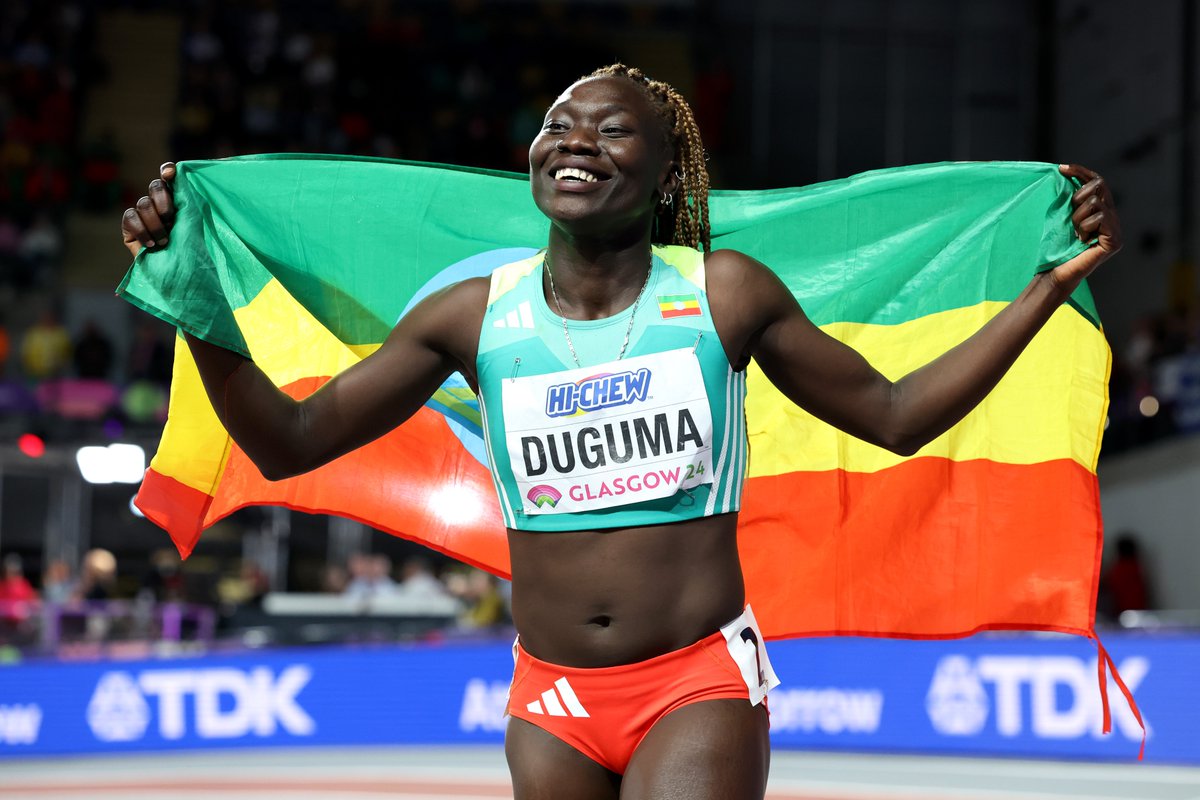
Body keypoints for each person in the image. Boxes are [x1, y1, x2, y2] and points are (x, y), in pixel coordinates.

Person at [121, 64, 1120, 800]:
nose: (575, 142)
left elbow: (896, 418)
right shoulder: (472, 314)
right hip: (548, 693)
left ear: (667, 174)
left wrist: (1044, 290)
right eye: (558, 126)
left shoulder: (723, 293)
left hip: (695, 679)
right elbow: (291, 439)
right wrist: (195, 299)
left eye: (610, 132)